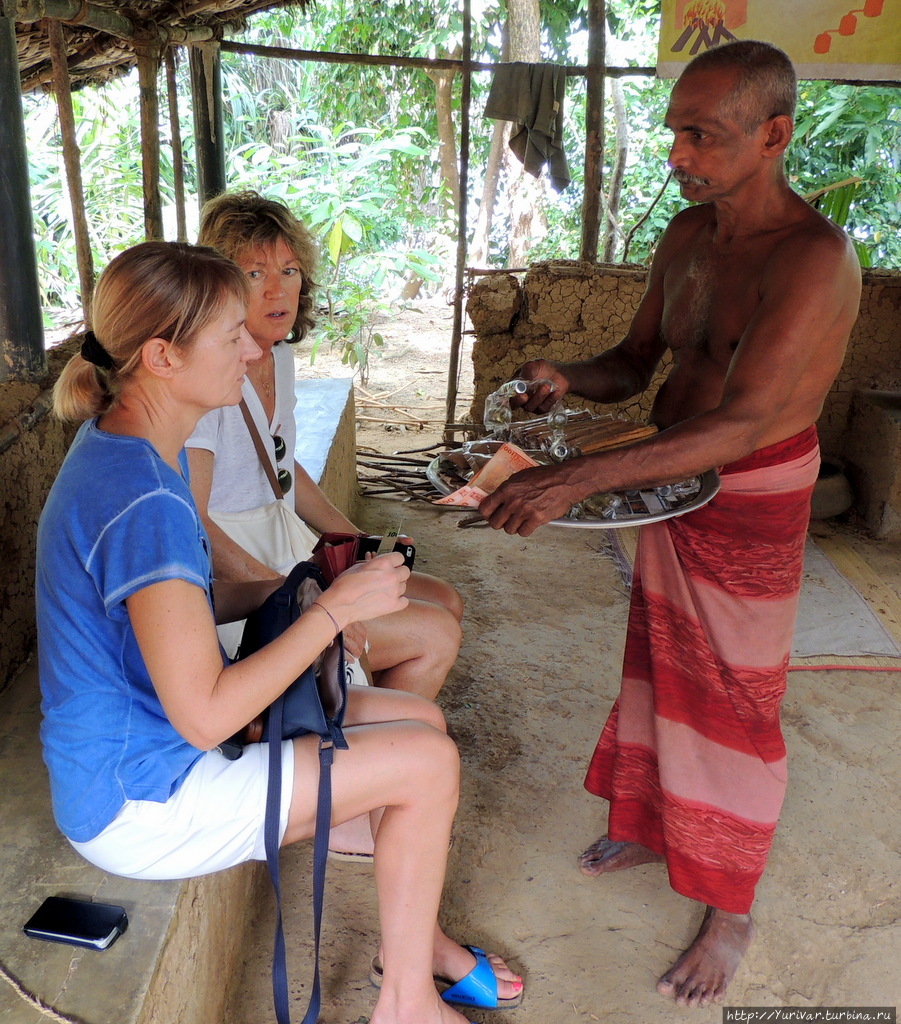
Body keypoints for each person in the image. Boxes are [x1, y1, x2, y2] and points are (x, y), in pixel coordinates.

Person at [37, 241, 523, 1024]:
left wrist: (306, 594)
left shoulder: (127, 452)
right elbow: (205, 713)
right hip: (142, 799)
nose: (255, 348)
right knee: (427, 762)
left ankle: (412, 941)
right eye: (232, 334)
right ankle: (404, 1002)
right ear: (162, 356)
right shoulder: (146, 502)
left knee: (420, 722)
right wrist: (332, 612)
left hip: (136, 751)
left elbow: (185, 608)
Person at [479, 40, 862, 1007]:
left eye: (703, 134)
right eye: (675, 132)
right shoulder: (688, 239)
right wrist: (564, 379)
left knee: (734, 697)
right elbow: (638, 357)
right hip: (671, 479)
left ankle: (731, 905)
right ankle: (652, 824)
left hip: (750, 488)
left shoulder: (814, 259)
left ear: (772, 135)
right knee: (661, 660)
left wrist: (574, 479)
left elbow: (741, 421)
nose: (680, 154)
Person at [186, 190, 463, 702]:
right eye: (254, 274)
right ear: (219, 284)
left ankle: (360, 715)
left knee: (441, 597)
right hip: (239, 575)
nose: (277, 291)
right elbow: (194, 521)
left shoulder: (279, 356)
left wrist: (360, 541)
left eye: (289, 271)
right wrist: (292, 599)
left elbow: (283, 467)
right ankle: (365, 746)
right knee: (433, 633)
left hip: (285, 546)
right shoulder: (208, 375)